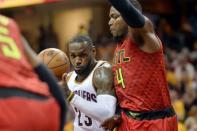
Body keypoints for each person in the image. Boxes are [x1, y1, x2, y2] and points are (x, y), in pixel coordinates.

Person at [102, 0, 178, 130]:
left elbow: (127, 10)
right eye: (110, 18)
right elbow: (123, 90)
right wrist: (117, 114)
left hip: (155, 122)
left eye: (115, 17)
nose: (110, 22)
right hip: (127, 120)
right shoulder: (119, 46)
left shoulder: (143, 35)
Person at [0, 15, 66, 131]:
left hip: (7, 108)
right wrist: (61, 105)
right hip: (43, 107)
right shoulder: (8, 23)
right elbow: (35, 61)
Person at [62, 35, 117, 131]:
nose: (77, 61)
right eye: (73, 56)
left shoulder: (102, 72)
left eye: (82, 55)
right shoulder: (69, 78)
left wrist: (71, 96)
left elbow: (107, 115)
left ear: (93, 51)